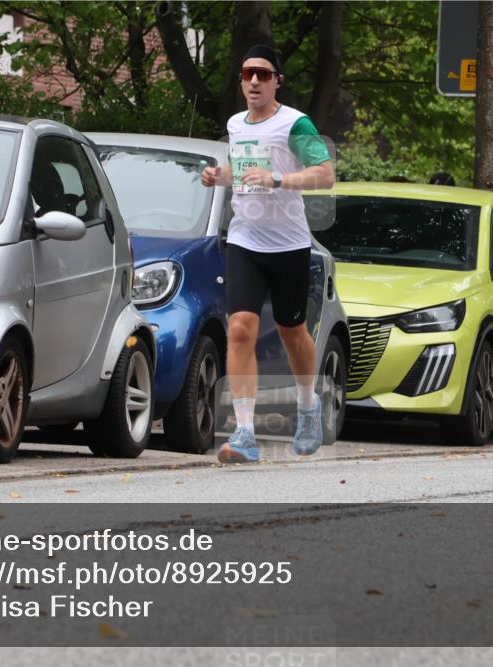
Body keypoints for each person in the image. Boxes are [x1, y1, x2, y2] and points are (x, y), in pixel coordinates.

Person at [200, 44, 335, 464]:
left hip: (288, 244)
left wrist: (277, 178)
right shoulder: (236, 124)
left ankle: (309, 408)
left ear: (278, 80)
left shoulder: (295, 124)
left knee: (293, 332)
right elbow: (243, 174)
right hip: (245, 240)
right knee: (240, 328)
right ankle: (244, 433)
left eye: (262, 74)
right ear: (241, 82)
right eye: (246, 74)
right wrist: (217, 176)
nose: (254, 81)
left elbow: (325, 175)